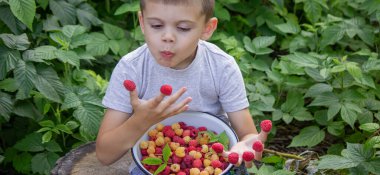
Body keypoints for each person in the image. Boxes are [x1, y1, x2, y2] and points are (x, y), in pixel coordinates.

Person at [96, 0, 270, 174]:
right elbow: (105, 154)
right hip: (154, 166)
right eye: (156, 25)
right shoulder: (131, 68)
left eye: (183, 28)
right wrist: (141, 120)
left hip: (215, 160)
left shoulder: (222, 67)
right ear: (142, 22)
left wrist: (248, 144)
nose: (168, 37)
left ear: (207, 29)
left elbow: (247, 134)